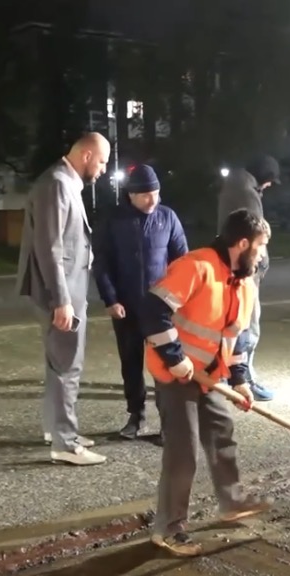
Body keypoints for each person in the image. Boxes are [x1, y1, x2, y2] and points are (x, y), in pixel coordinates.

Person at [140, 208, 275, 556]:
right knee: (183, 453)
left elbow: (236, 337)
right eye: (259, 247)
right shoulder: (196, 266)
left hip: (209, 377)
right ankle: (168, 529)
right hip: (175, 374)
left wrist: (240, 381)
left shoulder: (244, 284)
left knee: (221, 435)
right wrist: (176, 358)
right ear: (242, 244)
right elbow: (152, 312)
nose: (262, 255)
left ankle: (232, 502)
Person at [15, 133, 111, 466]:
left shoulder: (63, 181)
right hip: (61, 293)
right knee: (67, 365)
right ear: (87, 155)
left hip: (66, 290)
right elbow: (50, 247)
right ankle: (65, 443)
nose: (103, 169)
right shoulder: (57, 183)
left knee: (58, 364)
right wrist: (61, 300)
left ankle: (55, 430)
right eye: (102, 162)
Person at [93, 164, 188, 440]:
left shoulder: (167, 217)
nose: (152, 200)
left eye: (155, 194)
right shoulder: (113, 220)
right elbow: (102, 264)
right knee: (131, 363)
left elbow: (182, 262)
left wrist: (178, 300)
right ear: (131, 195)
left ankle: (168, 422)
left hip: (160, 309)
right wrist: (111, 299)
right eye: (145, 195)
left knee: (165, 364)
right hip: (126, 307)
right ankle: (136, 416)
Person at [217, 155, 281, 402]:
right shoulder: (246, 193)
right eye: (270, 180)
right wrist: (259, 263)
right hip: (244, 268)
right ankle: (245, 380)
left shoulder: (233, 186)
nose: (270, 186)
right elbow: (256, 235)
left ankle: (227, 376)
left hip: (231, 264)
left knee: (234, 321)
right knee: (248, 323)